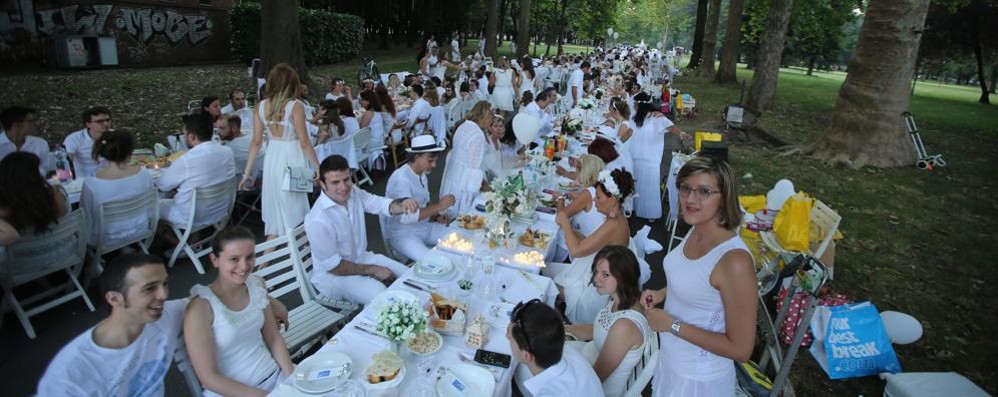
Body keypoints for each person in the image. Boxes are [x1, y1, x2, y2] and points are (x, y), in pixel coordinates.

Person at [37, 253, 289, 396]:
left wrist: (270, 301)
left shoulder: (164, 315)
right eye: (150, 289)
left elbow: (218, 296)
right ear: (115, 298)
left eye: (164, 283)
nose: (163, 295)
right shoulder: (71, 373)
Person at [641, 157, 757, 397]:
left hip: (697, 381)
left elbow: (742, 349)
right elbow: (694, 282)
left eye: (704, 191)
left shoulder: (734, 261)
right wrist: (662, 293)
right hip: (672, 362)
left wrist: (671, 324)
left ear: (724, 197)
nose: (690, 199)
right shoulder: (697, 228)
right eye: (685, 188)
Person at [184, 226, 294, 396]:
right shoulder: (201, 308)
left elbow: (273, 337)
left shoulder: (256, 284)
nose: (243, 267)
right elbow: (208, 378)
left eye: (249, 257)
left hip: (273, 376)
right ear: (215, 260)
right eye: (234, 259)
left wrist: (291, 379)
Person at [303, 155, 418, 305]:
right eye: (335, 182)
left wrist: (403, 203)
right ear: (323, 184)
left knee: (410, 277)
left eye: (346, 179)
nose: (343, 187)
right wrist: (374, 270)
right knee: (383, 296)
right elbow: (334, 267)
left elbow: (380, 204)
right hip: (333, 278)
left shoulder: (354, 193)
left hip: (361, 258)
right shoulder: (318, 220)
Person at [242, 64, 322, 242]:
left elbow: (256, 143)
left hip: (273, 159)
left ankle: (269, 264)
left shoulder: (261, 107)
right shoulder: (295, 106)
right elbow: (304, 142)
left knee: (279, 214)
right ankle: (307, 257)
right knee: (296, 209)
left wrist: (246, 173)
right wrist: (317, 167)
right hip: (292, 158)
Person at [564, 246, 653, 396]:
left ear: (624, 277)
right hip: (587, 359)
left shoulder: (625, 326)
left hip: (596, 387)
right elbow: (597, 329)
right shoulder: (618, 300)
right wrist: (562, 329)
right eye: (597, 272)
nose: (596, 279)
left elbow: (596, 377)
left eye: (605, 275)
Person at [554, 169, 635, 324]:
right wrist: (573, 232)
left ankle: (559, 327)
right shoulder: (616, 219)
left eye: (598, 197)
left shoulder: (614, 224)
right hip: (599, 272)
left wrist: (565, 223)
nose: (595, 200)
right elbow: (594, 244)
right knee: (550, 273)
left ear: (612, 200)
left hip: (599, 289)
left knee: (549, 283)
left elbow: (575, 251)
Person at [509, 300, 605, 397]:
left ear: (526, 356)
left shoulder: (549, 393)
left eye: (510, 338)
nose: (506, 336)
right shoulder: (571, 354)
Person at [384, 135, 456, 262]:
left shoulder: (421, 173)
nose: (434, 165)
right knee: (433, 262)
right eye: (430, 160)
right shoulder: (401, 179)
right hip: (403, 234)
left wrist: (437, 216)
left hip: (424, 226)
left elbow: (426, 204)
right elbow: (408, 217)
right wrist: (440, 206)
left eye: (435, 160)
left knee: (460, 239)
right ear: (416, 156)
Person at [156, 113, 235, 226]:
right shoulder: (228, 152)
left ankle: (179, 242)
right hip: (219, 210)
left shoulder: (186, 160)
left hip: (191, 217)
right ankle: (194, 238)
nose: (184, 137)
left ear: (191, 136)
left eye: (184, 134)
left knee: (154, 205)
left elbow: (163, 185)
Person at [82, 130, 155, 248]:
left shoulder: (92, 183)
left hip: (106, 238)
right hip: (140, 229)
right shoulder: (143, 173)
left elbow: (86, 216)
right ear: (130, 151)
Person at [629, 92, 688, 221]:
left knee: (649, 189)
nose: (633, 107)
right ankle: (634, 208)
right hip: (635, 157)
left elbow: (671, 127)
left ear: (640, 105)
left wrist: (681, 133)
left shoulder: (657, 118)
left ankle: (650, 214)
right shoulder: (634, 119)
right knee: (636, 185)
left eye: (635, 104)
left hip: (650, 159)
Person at [438, 101, 493, 216]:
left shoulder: (464, 125)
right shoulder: (478, 135)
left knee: (450, 212)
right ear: (485, 117)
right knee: (464, 215)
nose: (491, 122)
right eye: (490, 118)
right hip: (464, 183)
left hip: (453, 175)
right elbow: (473, 170)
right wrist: (489, 191)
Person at [0, 152, 68, 234]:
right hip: (65, 244)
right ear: (33, 174)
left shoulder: (6, 208)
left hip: (23, 246)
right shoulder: (55, 195)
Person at [64, 106, 111, 178]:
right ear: (88, 124)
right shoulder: (74, 139)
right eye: (99, 121)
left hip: (111, 177)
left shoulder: (115, 136)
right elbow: (66, 162)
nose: (105, 123)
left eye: (107, 120)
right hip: (84, 180)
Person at [0, 106, 49, 175]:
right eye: (32, 121)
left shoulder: (40, 144)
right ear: (16, 124)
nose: (37, 124)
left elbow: (43, 170)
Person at [358, 90, 387, 167]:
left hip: (372, 143)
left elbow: (361, 130)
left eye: (362, 100)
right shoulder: (377, 112)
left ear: (368, 101)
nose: (360, 101)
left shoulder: (368, 113)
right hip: (380, 140)